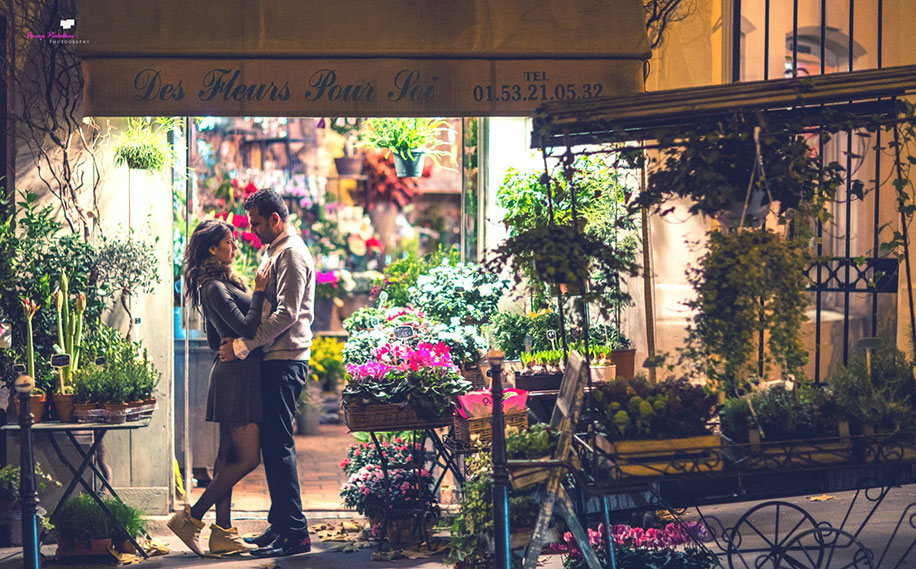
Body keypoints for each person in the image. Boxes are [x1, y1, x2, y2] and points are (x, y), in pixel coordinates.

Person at [219, 189, 314, 558]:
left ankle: (296, 533)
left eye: (257, 222)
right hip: (275, 358)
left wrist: (245, 346)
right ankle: (280, 526)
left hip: (286, 359)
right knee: (274, 447)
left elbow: (287, 313)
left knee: (279, 446)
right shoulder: (274, 250)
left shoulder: (290, 252)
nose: (252, 229)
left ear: (275, 218)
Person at [168, 219, 271, 556]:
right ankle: (191, 519)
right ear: (212, 248)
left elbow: (218, 337)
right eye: (229, 241)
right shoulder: (213, 286)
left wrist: (232, 338)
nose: (235, 246)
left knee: (227, 457)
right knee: (249, 458)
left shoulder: (218, 284)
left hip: (233, 373)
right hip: (235, 379)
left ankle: (223, 534)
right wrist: (258, 291)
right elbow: (247, 325)